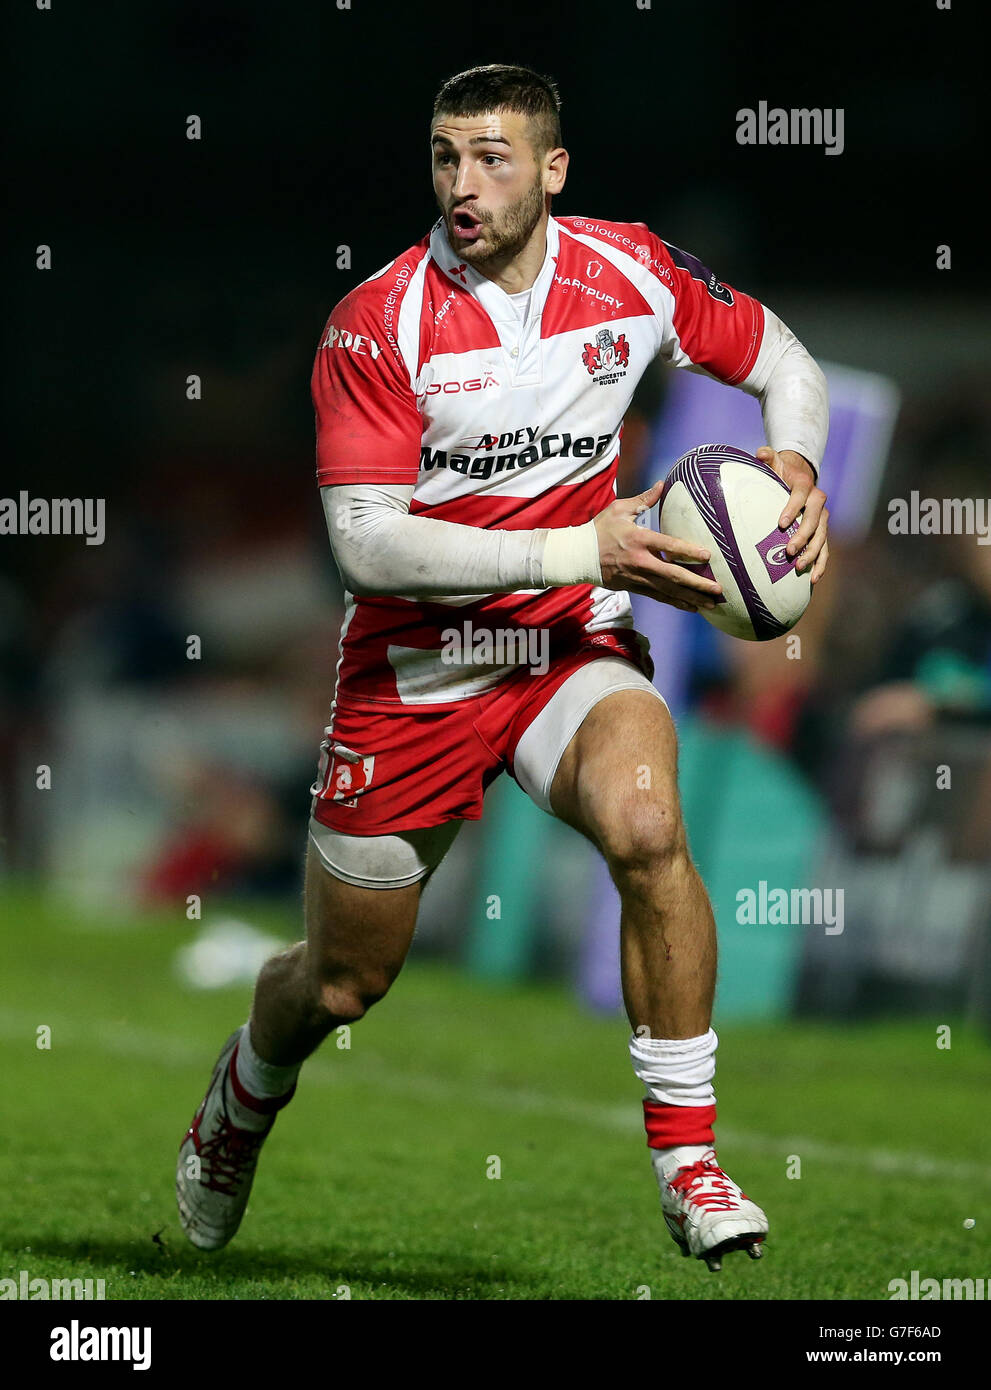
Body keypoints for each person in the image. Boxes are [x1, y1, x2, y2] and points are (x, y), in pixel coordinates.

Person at [176, 62, 830, 1273]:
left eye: (490, 156)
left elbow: (786, 362)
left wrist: (795, 464)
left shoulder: (627, 269)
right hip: (418, 665)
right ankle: (239, 1101)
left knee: (647, 826)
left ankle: (688, 1162)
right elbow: (365, 545)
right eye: (442, 156)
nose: (462, 182)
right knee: (338, 986)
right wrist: (585, 540)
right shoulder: (380, 321)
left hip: (568, 642)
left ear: (551, 169)